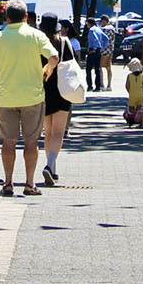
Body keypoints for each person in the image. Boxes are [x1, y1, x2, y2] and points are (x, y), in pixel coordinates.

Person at [0, 1, 56, 197]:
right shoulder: (36, 35)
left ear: (7, 18)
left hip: (6, 97)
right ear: (26, 17)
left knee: (8, 141)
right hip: (32, 96)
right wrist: (47, 70)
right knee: (31, 141)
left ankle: (8, 183)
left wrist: (4, 75)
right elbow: (54, 57)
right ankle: (29, 183)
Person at [40, 15, 78, 187]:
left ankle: (52, 168)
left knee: (47, 132)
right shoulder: (64, 42)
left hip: (42, 89)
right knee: (58, 132)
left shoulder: (38, 43)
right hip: (62, 89)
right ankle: (50, 165)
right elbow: (73, 64)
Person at [83, 17, 109, 92]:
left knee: (88, 69)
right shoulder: (98, 29)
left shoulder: (91, 30)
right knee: (97, 69)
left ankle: (90, 86)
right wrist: (102, 47)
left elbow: (95, 39)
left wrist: (94, 48)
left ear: (89, 23)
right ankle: (98, 86)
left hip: (93, 50)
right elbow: (106, 38)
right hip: (98, 51)